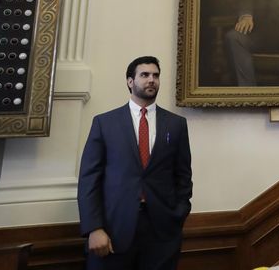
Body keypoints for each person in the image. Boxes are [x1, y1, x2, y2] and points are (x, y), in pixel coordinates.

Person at [77, 56, 193, 270]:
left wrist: (179, 213)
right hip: (113, 229)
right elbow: (89, 180)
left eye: (155, 75)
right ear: (130, 81)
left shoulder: (176, 124)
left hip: (162, 231)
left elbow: (183, 175)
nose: (151, 80)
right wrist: (94, 228)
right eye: (145, 75)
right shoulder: (105, 123)